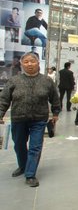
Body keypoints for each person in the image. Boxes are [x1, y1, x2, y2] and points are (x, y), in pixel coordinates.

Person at [0, 52, 60, 187]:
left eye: (32, 61)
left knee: (35, 147)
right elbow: (4, 99)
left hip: (39, 119)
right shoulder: (14, 81)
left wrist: (56, 113)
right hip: (18, 119)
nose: (29, 64)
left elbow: (54, 98)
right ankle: (22, 166)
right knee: (19, 145)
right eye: (26, 62)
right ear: (21, 64)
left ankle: (30, 174)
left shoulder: (46, 81)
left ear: (38, 63)